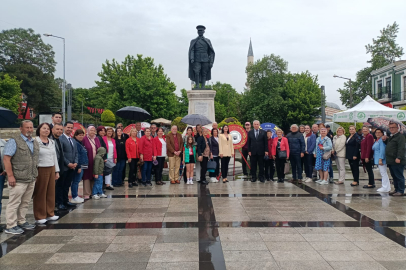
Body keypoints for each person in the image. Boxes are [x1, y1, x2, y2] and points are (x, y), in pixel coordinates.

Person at [4, 121, 38, 234]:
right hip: (18, 178)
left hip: (31, 177)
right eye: (26, 127)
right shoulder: (14, 141)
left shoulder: (34, 142)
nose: (29, 129)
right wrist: (10, 176)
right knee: (14, 203)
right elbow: (6, 159)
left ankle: (21, 221)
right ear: (21, 129)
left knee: (25, 202)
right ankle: (10, 225)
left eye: (31, 127)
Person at [33, 123, 60, 224]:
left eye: (48, 129)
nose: (46, 130)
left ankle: (50, 213)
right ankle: (40, 216)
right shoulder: (35, 141)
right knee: (40, 192)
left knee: (50, 192)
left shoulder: (52, 142)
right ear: (39, 130)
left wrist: (57, 171)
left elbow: (55, 157)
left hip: (51, 167)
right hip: (41, 168)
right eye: (44, 128)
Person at [57, 121, 78, 210]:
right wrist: (68, 163)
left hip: (72, 167)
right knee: (61, 185)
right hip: (65, 167)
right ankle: (60, 202)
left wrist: (76, 162)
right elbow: (61, 154)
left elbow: (76, 152)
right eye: (68, 127)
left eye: (71, 128)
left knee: (67, 185)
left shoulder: (72, 140)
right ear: (64, 127)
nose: (69, 129)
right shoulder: (60, 139)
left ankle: (66, 201)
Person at [383, 122, 405, 196]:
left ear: (397, 128)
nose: (391, 129)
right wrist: (385, 139)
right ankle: (396, 189)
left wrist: (399, 157)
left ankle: (401, 190)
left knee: (399, 176)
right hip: (391, 160)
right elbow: (390, 145)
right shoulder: (392, 137)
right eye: (390, 128)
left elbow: (401, 148)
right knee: (394, 176)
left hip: (397, 160)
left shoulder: (400, 137)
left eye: (393, 127)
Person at [82, 126, 101, 198]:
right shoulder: (85, 139)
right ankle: (87, 193)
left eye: (94, 130)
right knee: (87, 176)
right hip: (87, 161)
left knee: (94, 175)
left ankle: (93, 192)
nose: (93, 132)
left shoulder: (96, 139)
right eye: (91, 130)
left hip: (95, 161)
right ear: (88, 131)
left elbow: (99, 148)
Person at [71, 129, 88, 203]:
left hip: (82, 165)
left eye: (82, 135)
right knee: (75, 181)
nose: (81, 136)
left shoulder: (80, 143)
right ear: (75, 136)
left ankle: (76, 195)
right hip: (79, 166)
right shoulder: (76, 143)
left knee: (77, 181)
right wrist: (79, 167)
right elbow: (77, 155)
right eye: (79, 135)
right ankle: (74, 196)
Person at [373, 128, 390, 192]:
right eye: (376, 132)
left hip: (381, 159)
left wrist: (380, 159)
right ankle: (387, 187)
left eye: (379, 132)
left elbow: (382, 150)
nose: (377, 134)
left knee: (383, 173)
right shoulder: (377, 140)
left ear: (382, 133)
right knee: (383, 173)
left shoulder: (382, 140)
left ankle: (385, 187)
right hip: (377, 159)